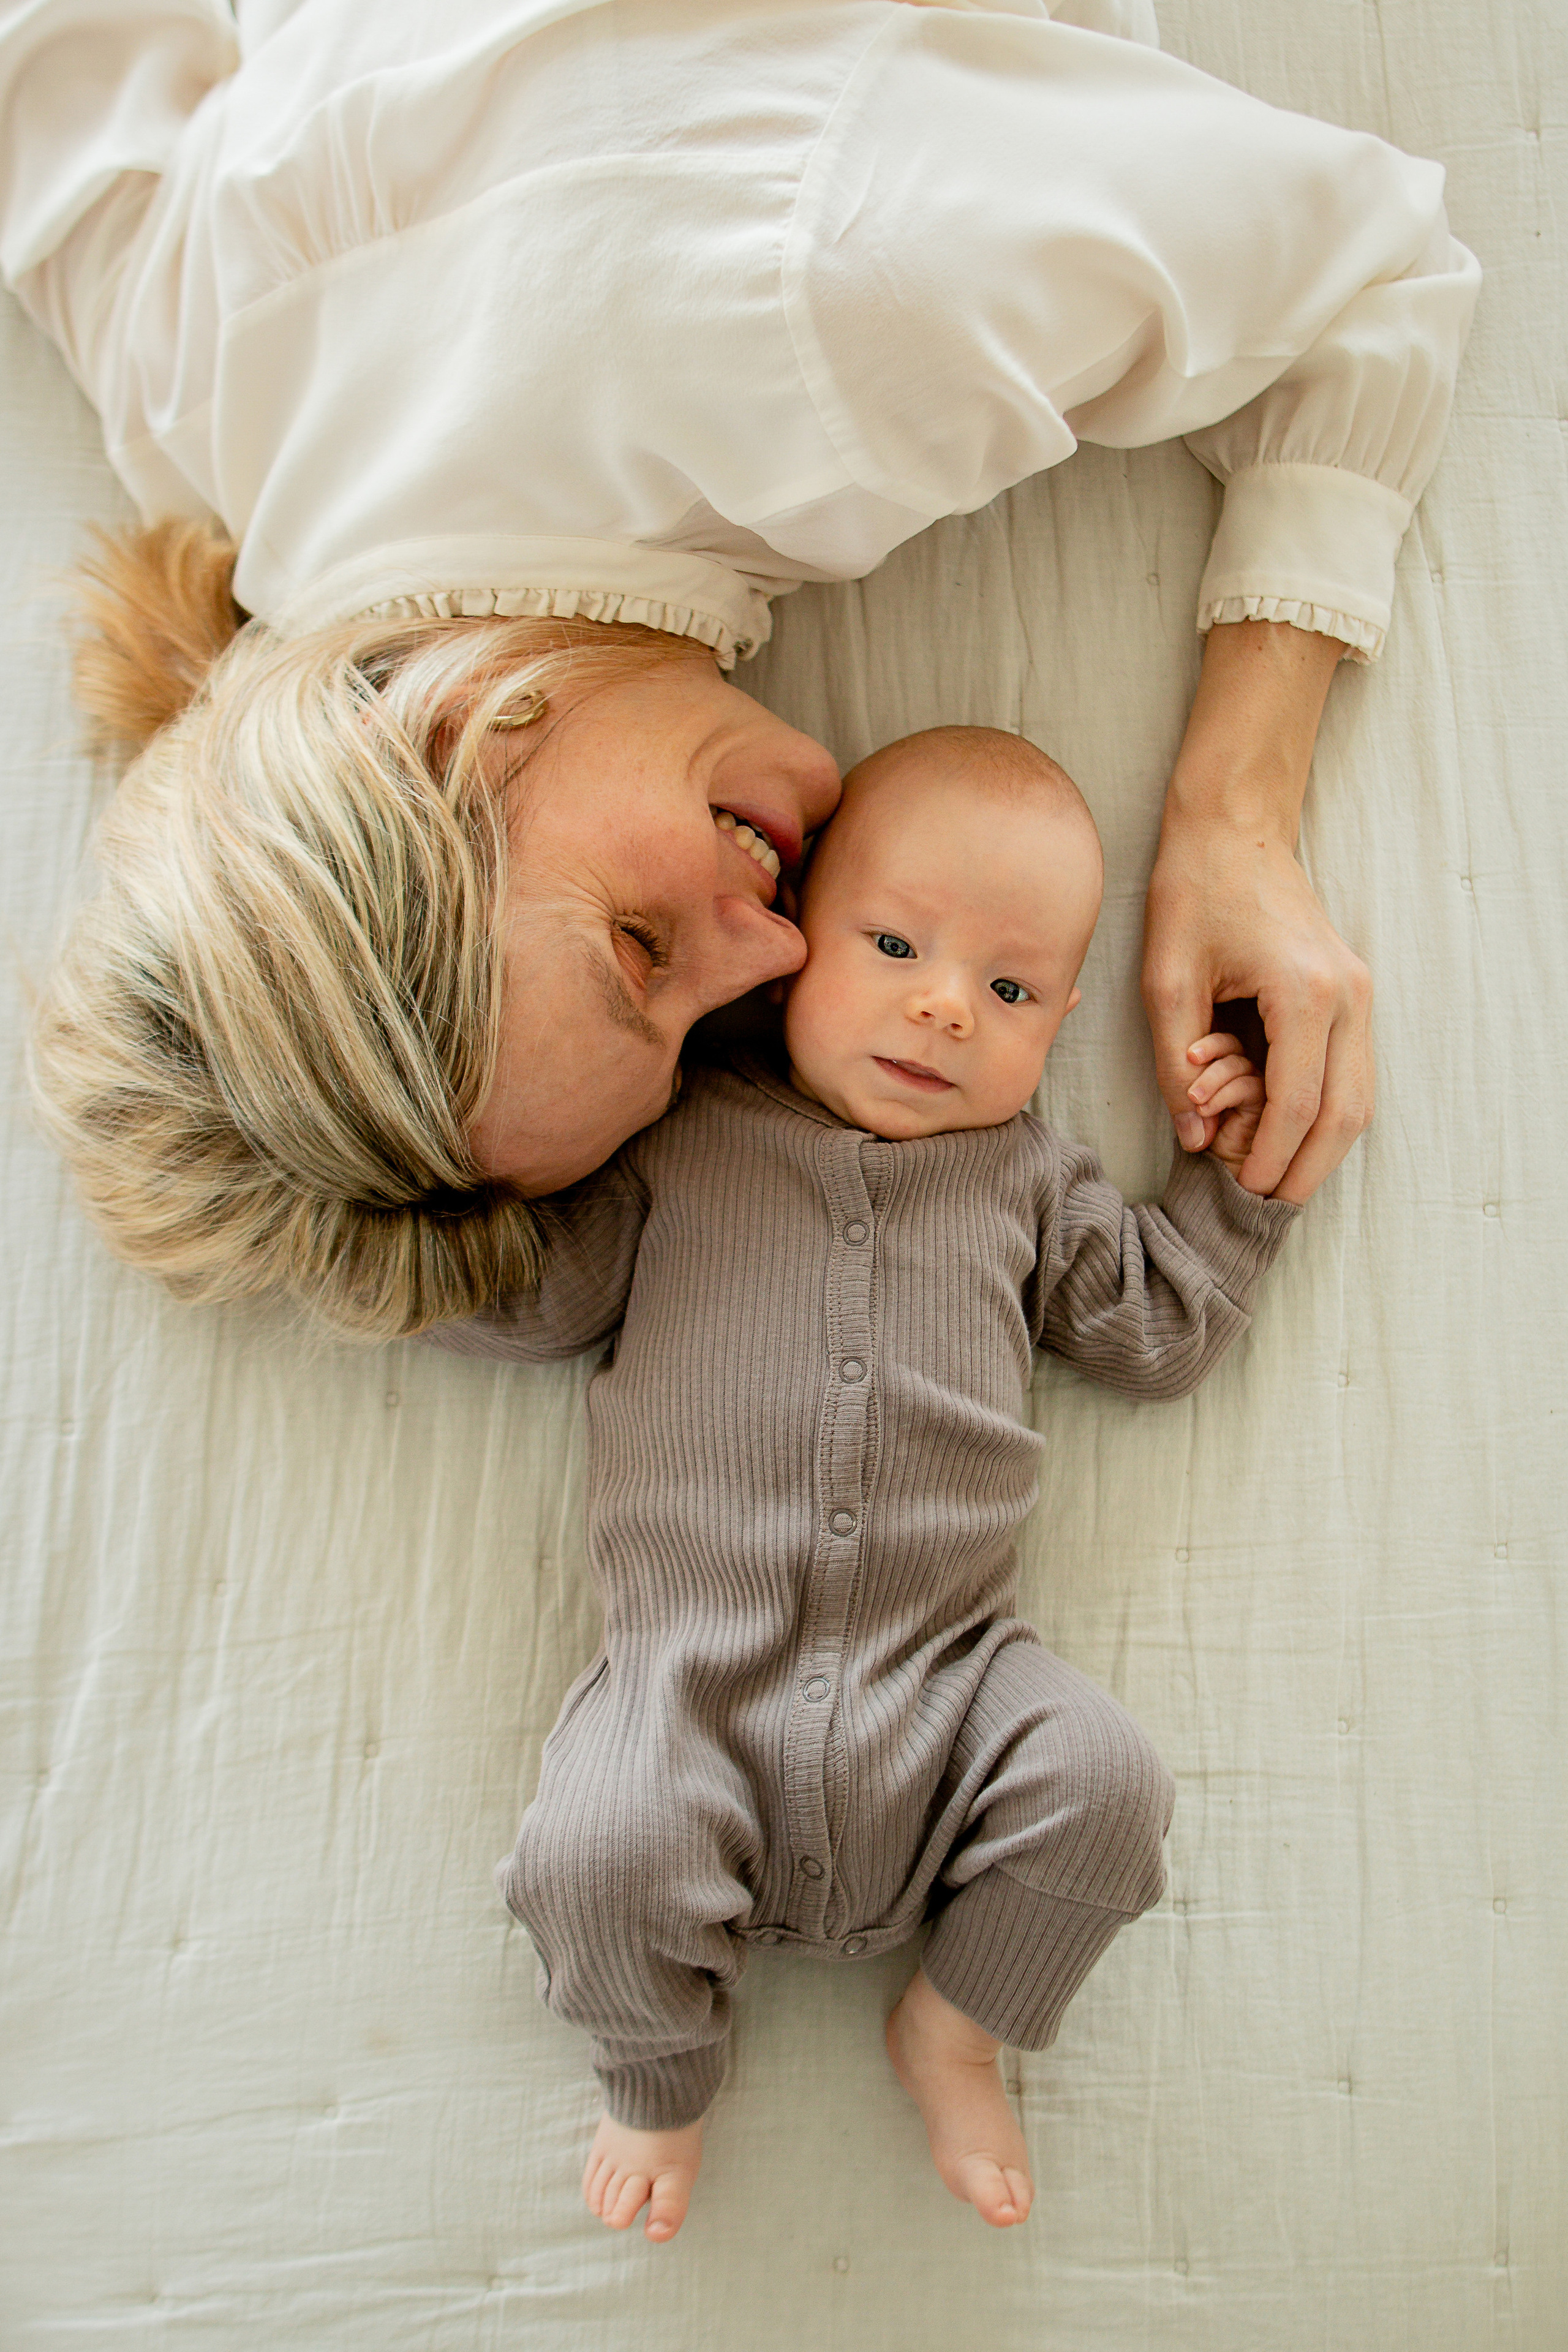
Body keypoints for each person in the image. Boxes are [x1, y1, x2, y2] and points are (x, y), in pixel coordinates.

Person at [2, 0, 1477, 1328]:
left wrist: (1233, 819)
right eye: (700, 1026)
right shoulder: (188, 401)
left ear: (457, 728)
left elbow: (1374, 269)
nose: (776, 953)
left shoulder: (840, 317)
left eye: (641, 947)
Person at [433, 726, 1301, 2242]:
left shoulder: (1028, 1181)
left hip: (951, 1682)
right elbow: (532, 1300)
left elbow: (1157, 1335)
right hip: (685, 1691)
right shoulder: (682, 1136)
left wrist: (1235, 1180)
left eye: (1009, 990)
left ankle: (954, 2027)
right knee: (591, 1856)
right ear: (792, 946)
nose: (941, 1004)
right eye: (892, 942)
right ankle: (660, 2070)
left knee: (1108, 1788)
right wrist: (404, 1217)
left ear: (1060, 1022)